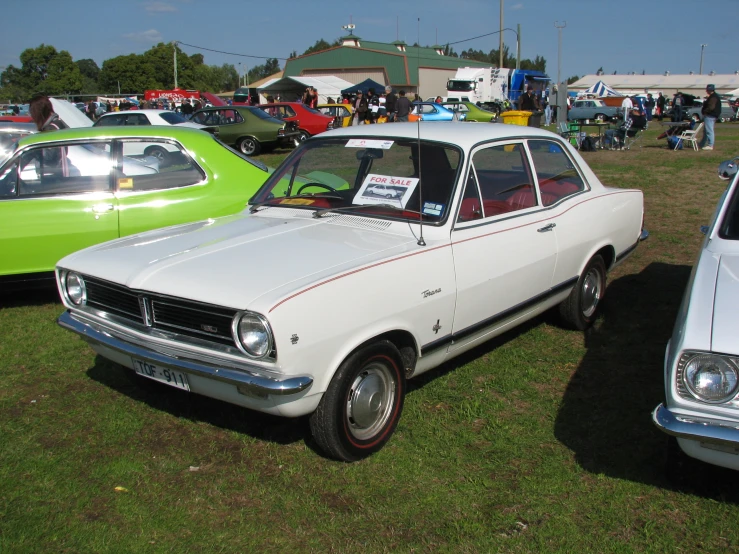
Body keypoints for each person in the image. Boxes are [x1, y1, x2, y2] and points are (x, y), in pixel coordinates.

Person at [699, 84, 721, 151]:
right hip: (710, 115)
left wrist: (705, 111)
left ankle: (710, 145)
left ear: (710, 90)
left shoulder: (713, 97)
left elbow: (711, 107)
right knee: (706, 131)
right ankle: (701, 144)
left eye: (707, 89)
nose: (706, 91)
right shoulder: (713, 96)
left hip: (710, 115)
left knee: (709, 130)